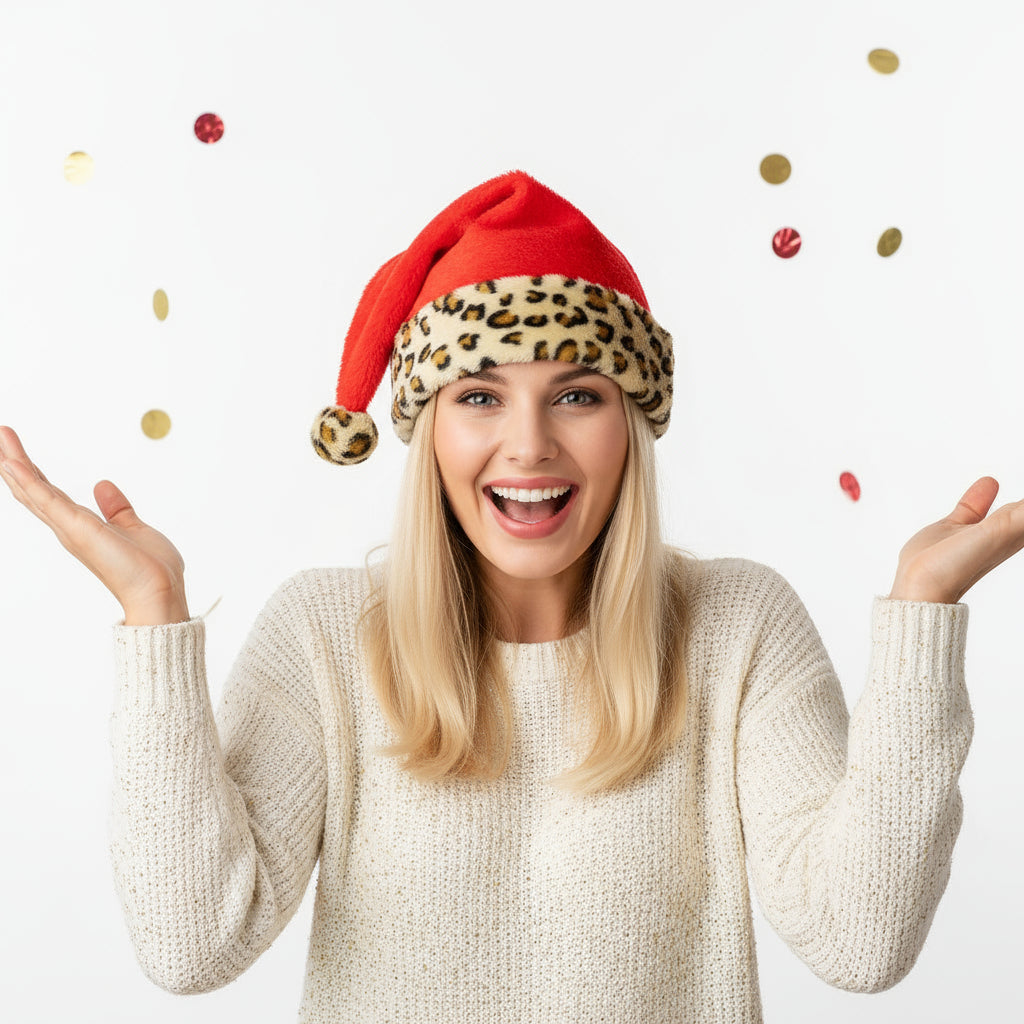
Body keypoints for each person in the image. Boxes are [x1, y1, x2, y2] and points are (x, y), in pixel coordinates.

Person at [1, 169, 1021, 1023]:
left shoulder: (737, 626)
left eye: (576, 394)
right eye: (480, 396)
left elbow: (860, 939)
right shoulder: (324, 636)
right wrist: (153, 615)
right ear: (429, 429)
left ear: (632, 425)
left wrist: (921, 615)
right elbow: (191, 944)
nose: (528, 445)